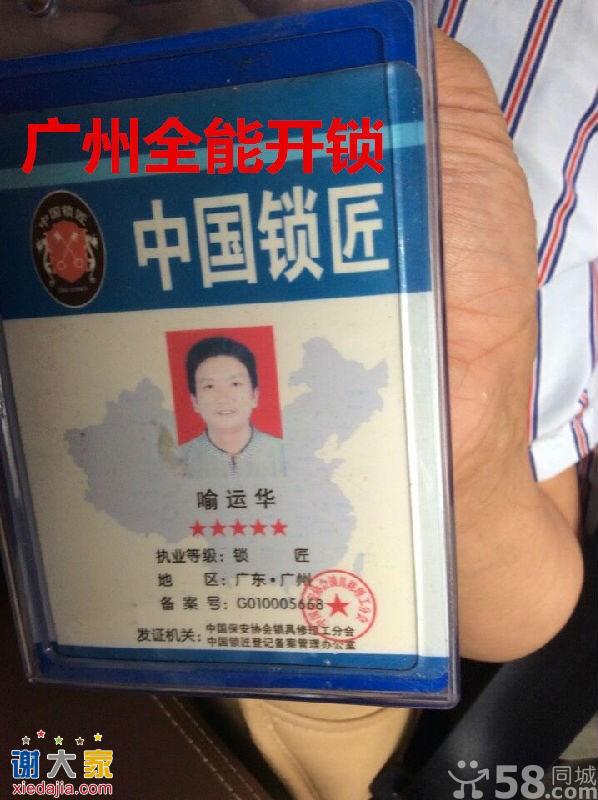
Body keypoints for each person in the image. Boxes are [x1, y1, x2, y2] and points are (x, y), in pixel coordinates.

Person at [182, 335, 285, 479]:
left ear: (254, 395)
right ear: (195, 402)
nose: (224, 398)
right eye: (209, 386)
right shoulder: (178, 459)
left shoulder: (284, 454)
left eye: (235, 384)